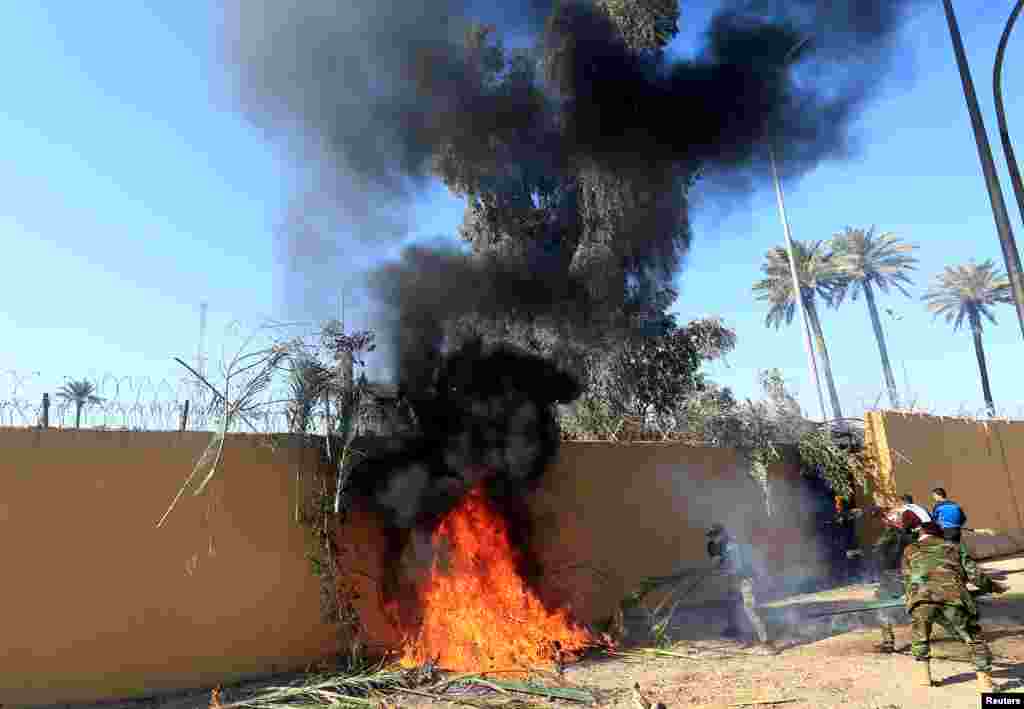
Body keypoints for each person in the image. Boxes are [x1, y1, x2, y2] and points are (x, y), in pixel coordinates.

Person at [901, 518, 1008, 691]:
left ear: (920, 534)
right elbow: (975, 575)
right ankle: (985, 684)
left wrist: (910, 597)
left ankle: (925, 679)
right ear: (939, 534)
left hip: (919, 600)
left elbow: (906, 578)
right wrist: (994, 587)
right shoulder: (954, 547)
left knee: (921, 638)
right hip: (953, 598)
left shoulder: (909, 550)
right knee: (973, 639)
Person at [706, 524, 776, 655]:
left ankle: (767, 643)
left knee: (750, 608)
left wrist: (725, 572)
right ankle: (739, 634)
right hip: (733, 579)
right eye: (711, 536)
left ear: (722, 534)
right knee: (733, 605)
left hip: (745, 578)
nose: (713, 538)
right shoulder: (713, 545)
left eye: (715, 535)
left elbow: (737, 567)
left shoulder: (732, 545)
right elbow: (717, 562)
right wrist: (718, 567)